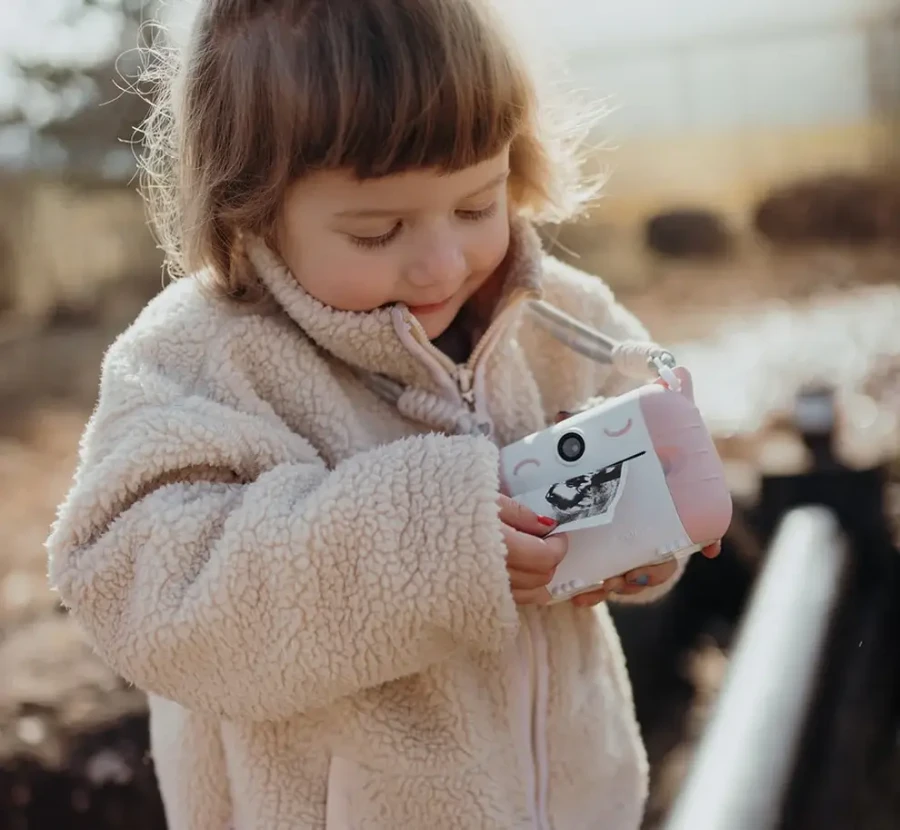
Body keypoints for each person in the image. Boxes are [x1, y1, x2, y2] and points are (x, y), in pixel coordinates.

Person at [47, 1, 720, 828]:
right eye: (376, 231)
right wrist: (428, 538)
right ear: (248, 204)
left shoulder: (560, 321)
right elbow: (134, 586)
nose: (442, 263)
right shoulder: (205, 360)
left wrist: (643, 543)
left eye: (476, 205)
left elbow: (631, 471)